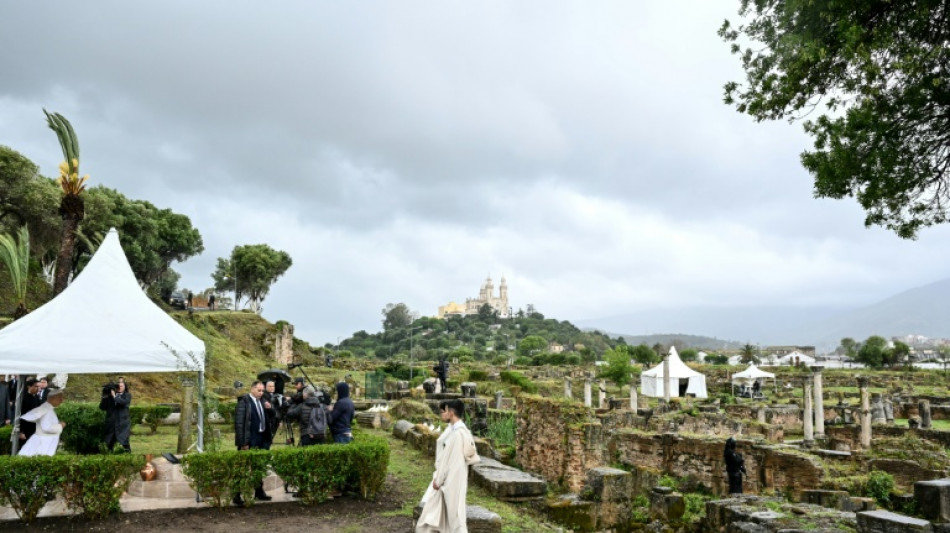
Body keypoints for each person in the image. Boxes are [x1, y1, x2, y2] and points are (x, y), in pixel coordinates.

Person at [416, 399, 480, 533]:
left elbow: (448, 462)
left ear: (450, 413)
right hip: (451, 478)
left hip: (451, 480)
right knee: (446, 512)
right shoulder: (455, 430)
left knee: (454, 515)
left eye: (442, 412)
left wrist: (439, 480)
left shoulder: (458, 434)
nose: (441, 415)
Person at [233, 381, 272, 505]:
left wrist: (270, 409)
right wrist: (243, 443)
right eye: (259, 390)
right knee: (242, 468)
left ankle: (259, 492)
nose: (261, 393)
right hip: (249, 440)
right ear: (252, 389)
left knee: (258, 467)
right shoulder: (244, 402)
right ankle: (236, 495)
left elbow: (270, 418)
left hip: (261, 439)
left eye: (262, 391)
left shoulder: (262, 401)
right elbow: (239, 425)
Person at [19, 388, 66, 456]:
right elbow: (47, 428)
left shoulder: (48, 408)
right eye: (60, 398)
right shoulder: (46, 409)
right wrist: (61, 425)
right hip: (43, 443)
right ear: (53, 398)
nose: (62, 401)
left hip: (45, 441)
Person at [104, 379, 132, 452]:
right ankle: (110, 456)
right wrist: (105, 396)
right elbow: (102, 407)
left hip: (123, 423)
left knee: (124, 441)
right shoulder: (111, 397)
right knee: (110, 441)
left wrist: (114, 396)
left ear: (125, 387)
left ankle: (128, 455)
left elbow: (122, 402)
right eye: (118, 386)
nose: (120, 387)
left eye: (122, 386)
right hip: (113, 423)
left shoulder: (127, 395)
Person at [16, 378, 41, 450]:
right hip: (25, 430)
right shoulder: (23, 398)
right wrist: (20, 432)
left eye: (38, 387)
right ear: (29, 387)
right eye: (35, 386)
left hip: (35, 429)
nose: (38, 388)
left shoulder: (37, 398)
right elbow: (19, 416)